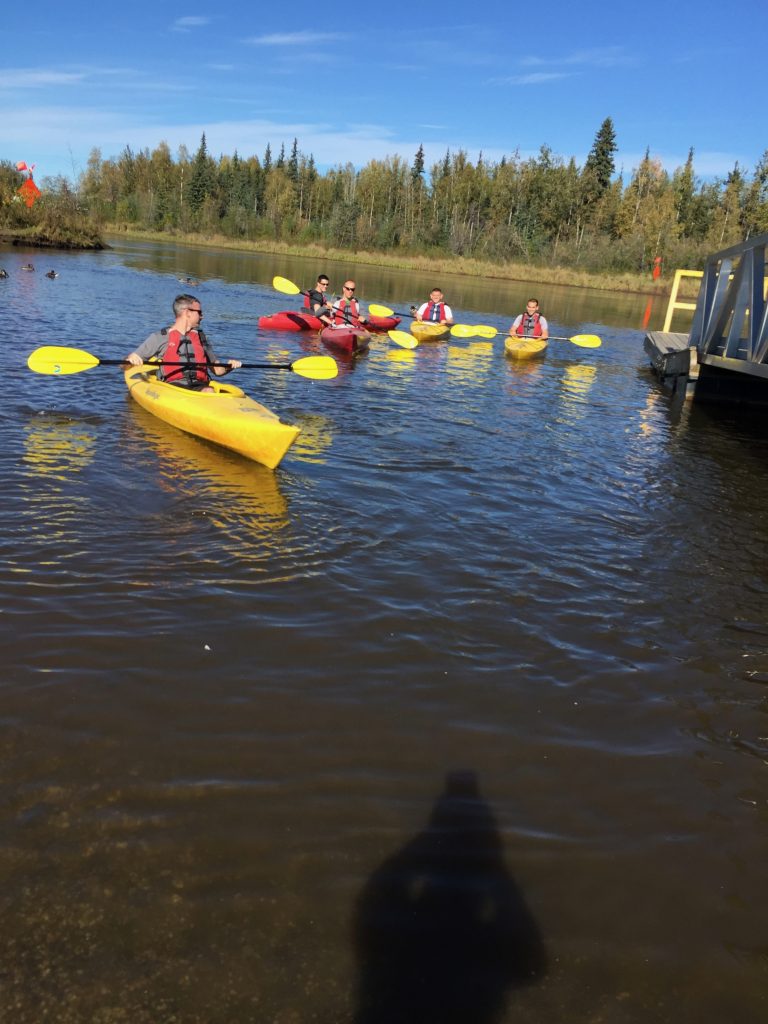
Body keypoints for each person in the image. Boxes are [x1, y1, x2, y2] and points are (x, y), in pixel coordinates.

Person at [124, 294, 241, 392]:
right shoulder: (161, 337)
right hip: (173, 388)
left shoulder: (201, 338)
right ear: (187, 312)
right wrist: (131, 359)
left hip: (200, 387)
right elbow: (125, 365)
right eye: (199, 312)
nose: (202, 316)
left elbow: (218, 371)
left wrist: (229, 366)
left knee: (209, 390)